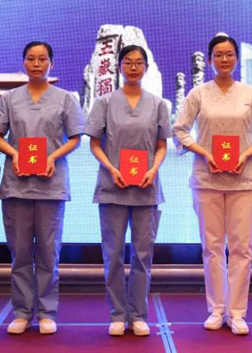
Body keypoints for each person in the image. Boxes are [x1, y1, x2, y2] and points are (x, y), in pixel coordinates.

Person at [173, 34, 252, 336]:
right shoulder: (198, 94)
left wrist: (246, 154)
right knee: (212, 247)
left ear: (237, 59)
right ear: (209, 60)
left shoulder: (250, 94)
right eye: (218, 55)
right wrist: (205, 153)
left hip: (244, 180)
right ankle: (217, 309)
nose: (224, 59)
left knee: (242, 247)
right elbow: (180, 130)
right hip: (207, 179)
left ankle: (237, 312)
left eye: (229, 54)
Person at [0, 41, 85, 335]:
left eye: (42, 59)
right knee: (19, 253)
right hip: (16, 186)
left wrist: (53, 157)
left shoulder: (65, 98)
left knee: (48, 253)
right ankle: (21, 312)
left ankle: (46, 312)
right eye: (31, 59)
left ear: (51, 63)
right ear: (24, 63)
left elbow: (75, 137)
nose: (37, 64)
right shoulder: (9, 98)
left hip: (50, 186)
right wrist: (15, 153)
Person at [85, 45, 171, 337]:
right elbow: (94, 143)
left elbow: (162, 145)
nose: (133, 68)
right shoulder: (105, 102)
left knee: (143, 255)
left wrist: (153, 170)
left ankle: (138, 314)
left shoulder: (158, 104)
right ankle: (117, 314)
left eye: (138, 63)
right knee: (113, 255)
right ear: (119, 66)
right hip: (113, 187)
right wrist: (112, 169)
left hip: (147, 188)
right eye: (128, 62)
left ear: (146, 67)